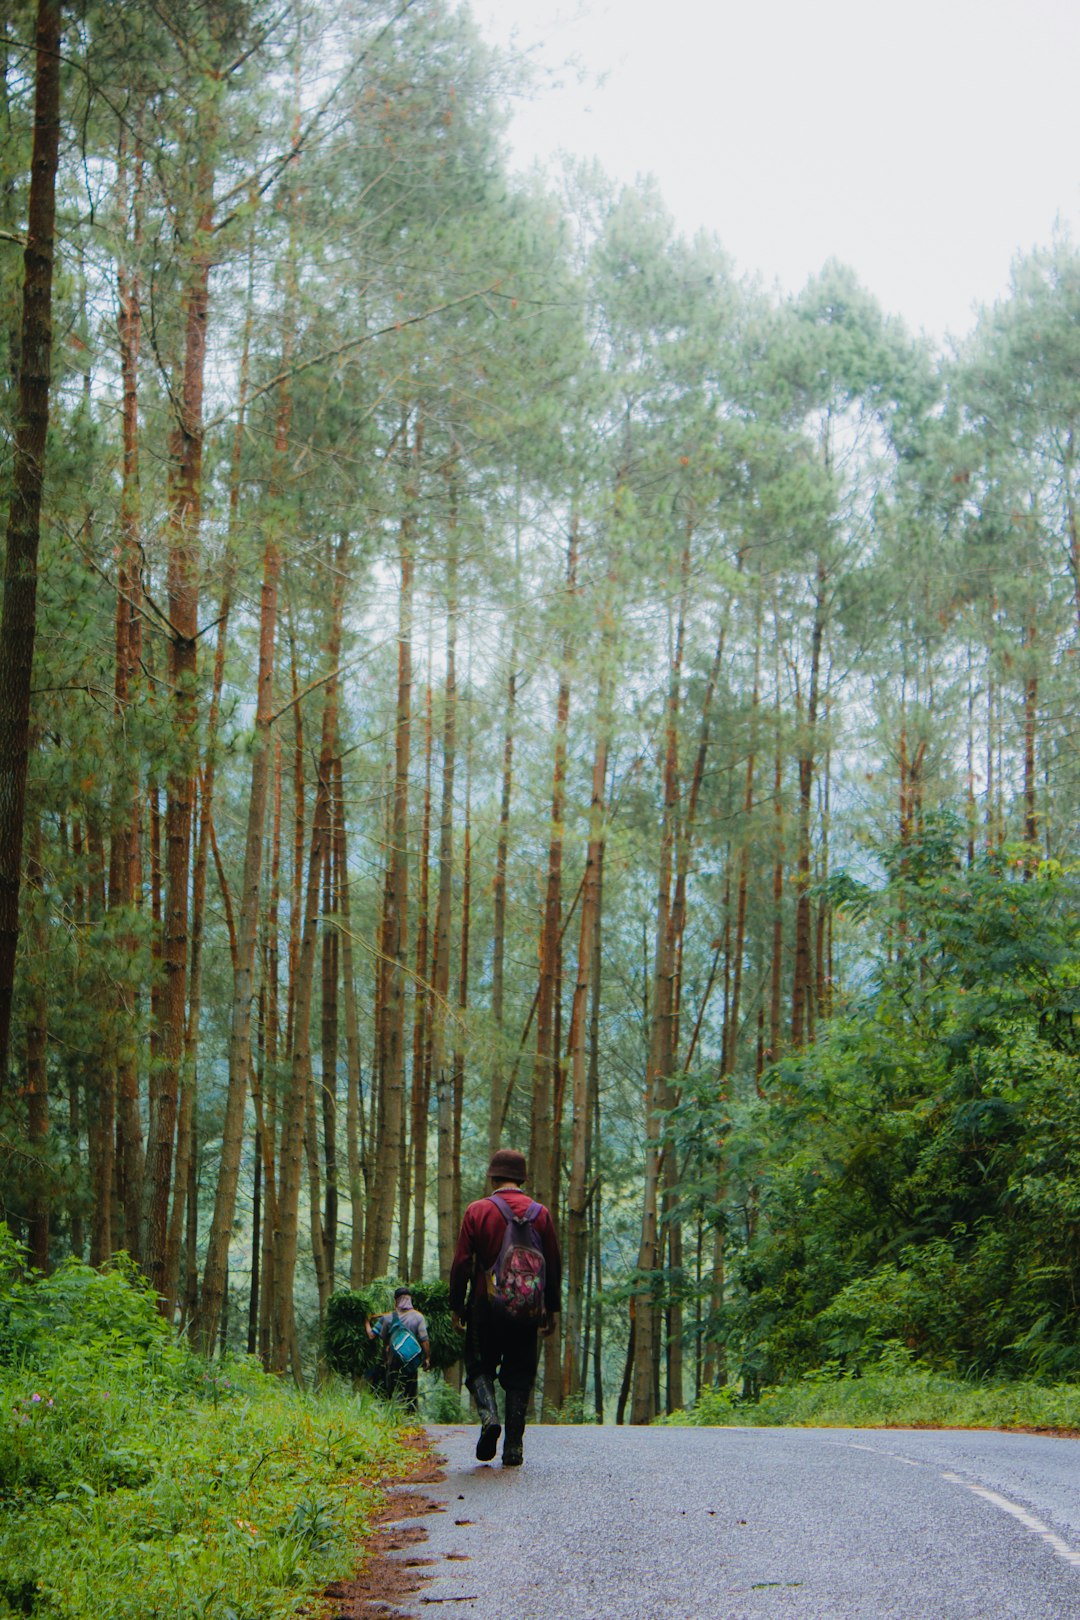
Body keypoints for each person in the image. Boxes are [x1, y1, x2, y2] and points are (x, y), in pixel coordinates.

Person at [449, 1147, 562, 1467]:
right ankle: (514, 1447)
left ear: (494, 1177)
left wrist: (456, 1305)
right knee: (520, 1374)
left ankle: (489, 1418)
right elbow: (552, 1263)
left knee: (478, 1366)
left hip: (485, 1308)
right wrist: (551, 1309)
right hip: (526, 1311)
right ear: (521, 1179)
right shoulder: (541, 1214)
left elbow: (461, 1263)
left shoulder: (477, 1211)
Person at [366, 1285, 431, 1411]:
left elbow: (373, 1336)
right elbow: (424, 1340)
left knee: (392, 1389)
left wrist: (366, 1322)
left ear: (396, 1300)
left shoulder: (388, 1317)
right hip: (411, 1360)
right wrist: (427, 1358)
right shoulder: (418, 1317)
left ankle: (392, 1415)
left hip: (393, 1361)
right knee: (410, 1391)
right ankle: (410, 1418)